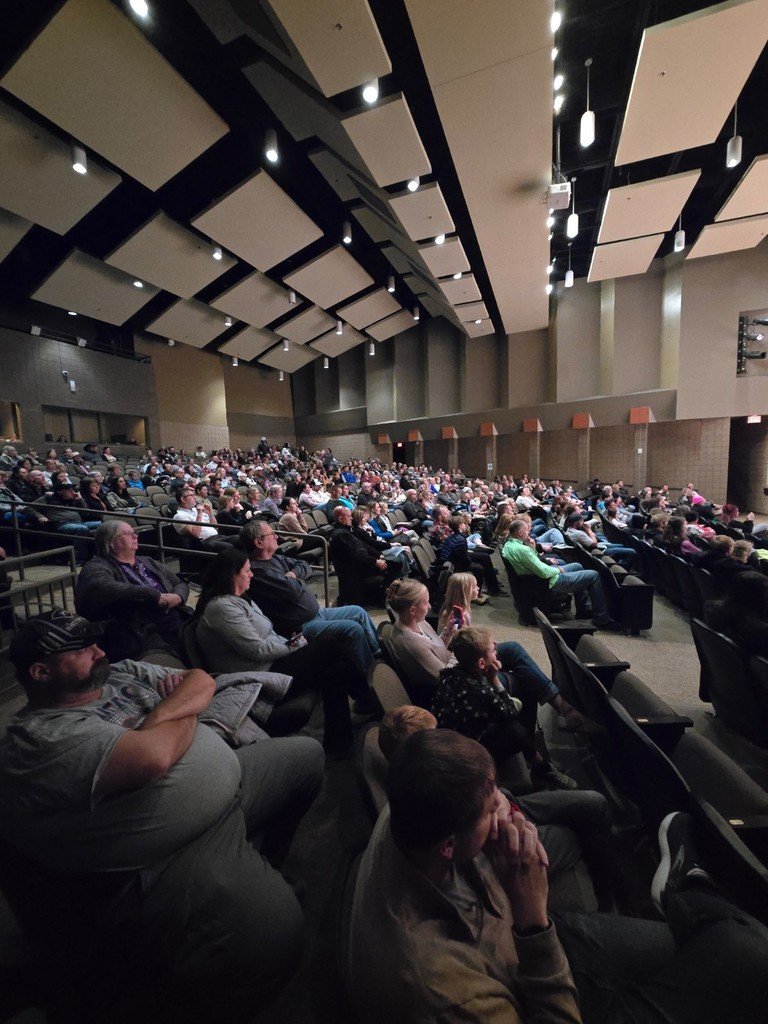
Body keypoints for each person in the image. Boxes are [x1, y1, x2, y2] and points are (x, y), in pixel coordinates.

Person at [0, 609, 324, 1021]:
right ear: (41, 672)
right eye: (81, 650)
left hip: (230, 785)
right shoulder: (37, 740)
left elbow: (202, 680)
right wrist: (183, 709)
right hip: (172, 851)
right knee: (278, 931)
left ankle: (263, 863)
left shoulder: (119, 673)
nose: (99, 652)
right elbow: (154, 756)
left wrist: (163, 715)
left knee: (307, 756)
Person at [350, 729, 768, 1024]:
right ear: (449, 845)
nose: (500, 806)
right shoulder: (442, 991)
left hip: (517, 943)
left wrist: (501, 808)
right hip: (534, 975)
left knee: (722, 945)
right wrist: (532, 917)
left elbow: (471, 799)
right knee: (749, 952)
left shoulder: (409, 806)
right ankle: (687, 886)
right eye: (489, 806)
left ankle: (687, 889)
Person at [193, 548, 372, 751]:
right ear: (232, 575)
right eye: (247, 571)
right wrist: (292, 647)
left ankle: (340, 743)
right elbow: (258, 649)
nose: (251, 574)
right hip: (259, 676)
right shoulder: (220, 608)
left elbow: (267, 637)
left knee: (335, 668)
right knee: (330, 644)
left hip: (272, 664)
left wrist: (292, 643)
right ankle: (367, 700)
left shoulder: (241, 599)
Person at [241, 518, 382, 673]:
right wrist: (299, 581)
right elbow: (292, 590)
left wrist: (294, 575)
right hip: (300, 627)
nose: (276, 536)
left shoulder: (275, 558)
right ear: (258, 543)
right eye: (271, 534)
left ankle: (379, 655)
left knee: (358, 612)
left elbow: (304, 565)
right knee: (353, 629)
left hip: (317, 613)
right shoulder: (258, 572)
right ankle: (370, 673)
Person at [75, 521, 189, 660]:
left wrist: (178, 597)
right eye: (128, 534)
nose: (135, 536)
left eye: (135, 533)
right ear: (110, 542)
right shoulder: (96, 566)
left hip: (177, 621)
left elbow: (179, 583)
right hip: (139, 634)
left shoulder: (147, 561)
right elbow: (103, 586)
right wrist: (156, 597)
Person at [502, 518, 619, 629]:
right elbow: (544, 572)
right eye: (527, 530)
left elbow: (533, 563)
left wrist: (532, 548)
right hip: (546, 581)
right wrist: (559, 570)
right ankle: (601, 619)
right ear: (520, 533)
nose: (529, 532)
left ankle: (583, 609)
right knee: (594, 575)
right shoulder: (522, 550)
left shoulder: (509, 545)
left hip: (533, 578)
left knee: (577, 566)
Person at [172, 486, 236, 552]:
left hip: (217, 536)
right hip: (205, 542)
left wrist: (210, 513)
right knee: (231, 547)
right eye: (191, 495)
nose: (194, 497)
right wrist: (199, 514)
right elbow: (196, 534)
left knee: (239, 539)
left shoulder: (195, 510)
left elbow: (216, 527)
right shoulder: (179, 516)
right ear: (183, 499)